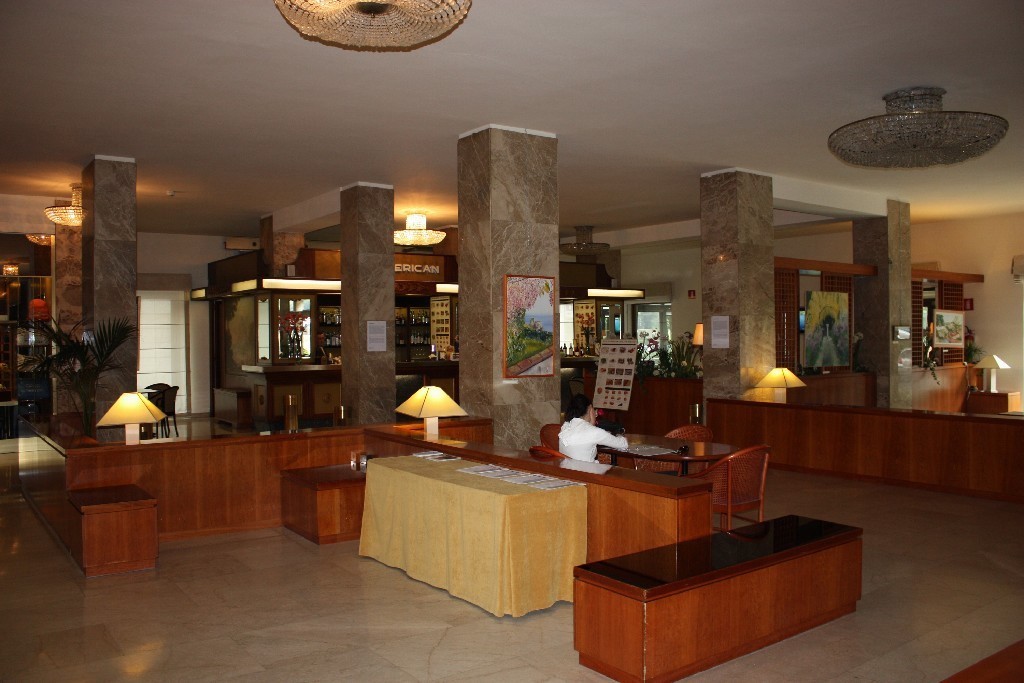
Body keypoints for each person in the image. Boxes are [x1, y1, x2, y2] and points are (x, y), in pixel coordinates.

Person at [559, 394, 628, 462]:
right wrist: (619, 434)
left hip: (565, 468)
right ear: (590, 408)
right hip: (586, 469)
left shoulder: (565, 426)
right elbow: (623, 444)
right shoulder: (595, 432)